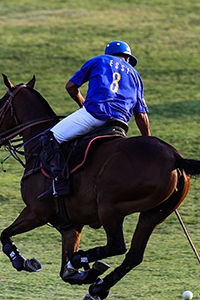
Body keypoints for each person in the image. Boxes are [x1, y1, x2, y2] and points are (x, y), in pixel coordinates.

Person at [40, 40, 151, 197]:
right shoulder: (135, 75)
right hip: (120, 124)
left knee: (50, 137)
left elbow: (70, 86)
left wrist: (82, 103)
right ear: (127, 58)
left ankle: (59, 184)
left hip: (95, 115)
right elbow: (141, 114)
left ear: (109, 54)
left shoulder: (99, 60)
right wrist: (147, 141)